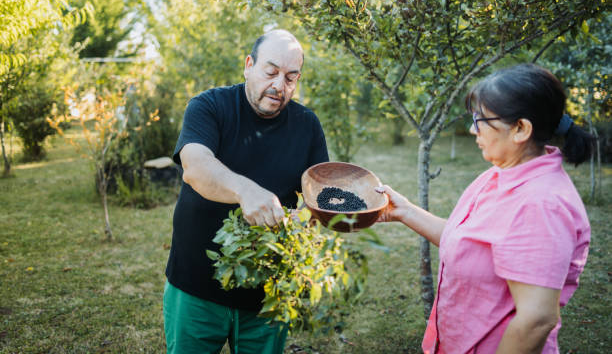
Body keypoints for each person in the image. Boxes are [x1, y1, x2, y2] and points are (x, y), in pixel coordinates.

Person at [376, 64, 592, 353]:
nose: (471, 129)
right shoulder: (499, 174)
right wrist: (405, 211)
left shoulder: (542, 205)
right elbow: (469, 244)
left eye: (481, 119)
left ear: (520, 129)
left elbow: (536, 319)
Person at [163, 29, 329, 354]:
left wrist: (307, 219)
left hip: (268, 296)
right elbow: (195, 167)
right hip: (196, 286)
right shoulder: (210, 106)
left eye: (291, 78)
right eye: (271, 72)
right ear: (248, 65)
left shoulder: (308, 126)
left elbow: (316, 200)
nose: (279, 86)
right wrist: (245, 191)